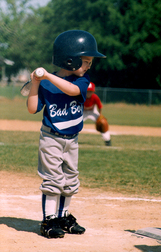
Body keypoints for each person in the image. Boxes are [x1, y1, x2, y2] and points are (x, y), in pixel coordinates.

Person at [27, 30, 106, 238]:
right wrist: (36, 82)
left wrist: (47, 76)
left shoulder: (82, 81)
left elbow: (71, 90)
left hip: (72, 140)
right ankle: (49, 220)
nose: (89, 65)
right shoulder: (45, 83)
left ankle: (63, 216)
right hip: (51, 138)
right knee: (53, 180)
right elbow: (32, 107)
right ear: (69, 60)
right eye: (86, 61)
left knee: (70, 179)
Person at [83, 82, 111, 146]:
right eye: (87, 91)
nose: (89, 93)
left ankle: (107, 140)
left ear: (93, 92)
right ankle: (69, 138)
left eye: (91, 91)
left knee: (103, 123)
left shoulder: (95, 97)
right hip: (83, 112)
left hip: (93, 111)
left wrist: (100, 116)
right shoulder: (81, 96)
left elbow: (100, 107)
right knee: (75, 123)